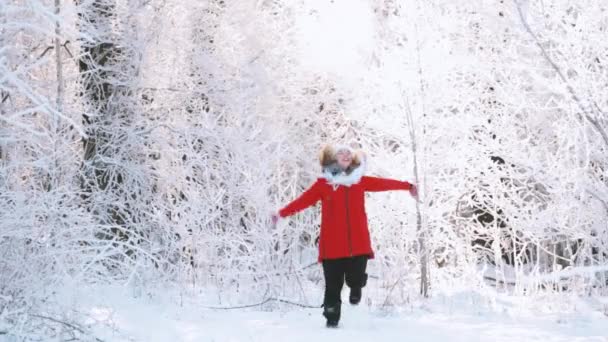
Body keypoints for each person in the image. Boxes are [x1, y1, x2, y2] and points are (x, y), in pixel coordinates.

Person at [272, 144, 417, 327]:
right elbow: (303, 200)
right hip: (332, 247)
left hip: (358, 244)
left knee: (355, 279)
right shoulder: (323, 185)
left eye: (349, 152)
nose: (346, 155)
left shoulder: (360, 181)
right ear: (333, 158)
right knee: (333, 287)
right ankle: (332, 321)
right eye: (341, 152)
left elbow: (383, 184)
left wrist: (408, 186)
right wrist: (282, 213)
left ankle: (356, 288)